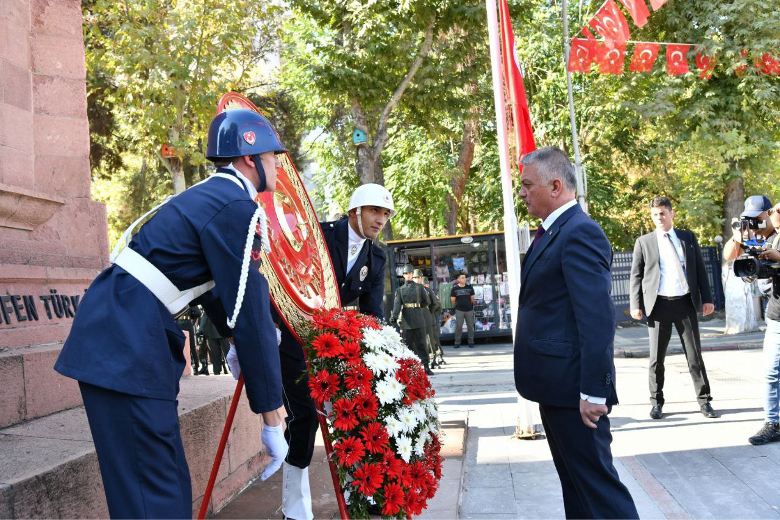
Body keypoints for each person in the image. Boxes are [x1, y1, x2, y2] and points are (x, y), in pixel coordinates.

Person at [54, 108, 289, 518]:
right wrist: (271, 419)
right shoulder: (236, 206)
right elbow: (250, 310)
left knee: (155, 486)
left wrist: (234, 342)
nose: (277, 167)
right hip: (126, 339)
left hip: (122, 328)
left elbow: (218, 291)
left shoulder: (212, 197)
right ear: (251, 157)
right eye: (274, 158)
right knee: (154, 494)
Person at [514, 147, 638, 519]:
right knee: (577, 486)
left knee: (599, 491)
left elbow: (597, 319)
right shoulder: (555, 231)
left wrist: (593, 391)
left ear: (555, 186)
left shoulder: (579, 232)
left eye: (526, 185)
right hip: (556, 386)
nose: (522, 193)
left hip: (575, 393)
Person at [278, 183, 395, 520]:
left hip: (333, 344)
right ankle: (295, 509)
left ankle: (360, 493)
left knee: (357, 410)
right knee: (304, 420)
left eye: (385, 214)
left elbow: (373, 314)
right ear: (355, 210)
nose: (380, 220)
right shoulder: (321, 236)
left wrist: (381, 356)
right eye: (375, 211)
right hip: (292, 336)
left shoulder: (377, 255)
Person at [629, 196, 718, 420]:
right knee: (656, 360)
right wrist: (635, 304)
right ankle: (656, 402)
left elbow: (700, 270)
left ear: (671, 213)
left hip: (685, 303)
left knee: (694, 356)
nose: (659, 217)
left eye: (663, 213)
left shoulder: (687, 238)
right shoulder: (644, 242)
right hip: (658, 306)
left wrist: (707, 299)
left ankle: (705, 401)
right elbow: (636, 276)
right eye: (655, 214)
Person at [722, 195, 780, 445]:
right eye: (751, 219)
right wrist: (738, 236)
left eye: (759, 217)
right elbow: (728, 256)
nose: (755, 222)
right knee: (771, 372)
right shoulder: (753, 234)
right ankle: (773, 423)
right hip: (777, 315)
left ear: (771, 212)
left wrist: (776, 255)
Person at [391, 264, 433, 375]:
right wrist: (394, 316)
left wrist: (418, 306)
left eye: (410, 273)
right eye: (406, 273)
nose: (408, 275)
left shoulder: (420, 287)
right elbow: (397, 305)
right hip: (406, 320)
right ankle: (409, 369)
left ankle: (426, 367)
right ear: (403, 275)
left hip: (418, 318)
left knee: (422, 344)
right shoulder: (400, 290)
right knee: (408, 345)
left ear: (412, 274)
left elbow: (427, 301)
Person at [421, 275, 446, 368]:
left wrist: (430, 312)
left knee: (433, 340)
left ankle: (438, 357)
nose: (426, 285)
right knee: (433, 340)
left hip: (432, 319)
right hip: (431, 318)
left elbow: (437, 305)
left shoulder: (429, 292)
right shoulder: (428, 292)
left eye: (426, 284)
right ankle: (438, 356)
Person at [198, 310, 230, 375]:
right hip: (224, 331)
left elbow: (205, 317)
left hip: (211, 332)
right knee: (227, 352)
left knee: (215, 354)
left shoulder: (208, 304)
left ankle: (216, 371)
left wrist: (200, 330)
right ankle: (233, 369)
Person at [450, 272, 475, 348]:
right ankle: (457, 343)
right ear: (458, 279)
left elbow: (472, 299)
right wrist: (458, 305)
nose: (464, 279)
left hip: (469, 310)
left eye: (465, 277)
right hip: (459, 310)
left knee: (470, 326)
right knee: (459, 327)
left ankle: (471, 342)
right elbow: (453, 300)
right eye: (462, 277)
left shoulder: (470, 287)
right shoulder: (454, 288)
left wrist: (469, 305)